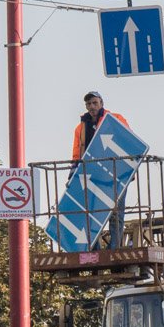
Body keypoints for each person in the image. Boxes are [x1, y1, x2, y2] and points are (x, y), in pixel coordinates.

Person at [71, 91, 131, 248]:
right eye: (89, 104)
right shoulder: (80, 128)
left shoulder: (116, 119)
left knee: (116, 214)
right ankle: (95, 249)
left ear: (101, 103)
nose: (92, 106)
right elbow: (77, 153)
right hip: (93, 176)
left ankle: (114, 249)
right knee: (91, 213)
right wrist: (72, 176)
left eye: (94, 103)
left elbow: (128, 141)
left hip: (117, 175)